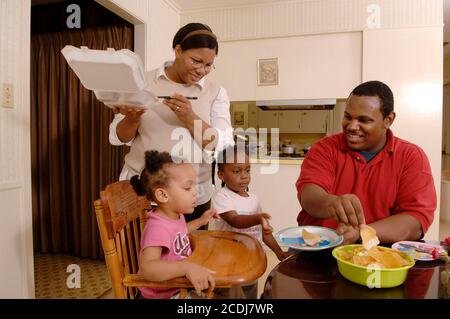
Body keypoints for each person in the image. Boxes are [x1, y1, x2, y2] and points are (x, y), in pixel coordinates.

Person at [109, 23, 233, 228]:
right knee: (141, 256)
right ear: (178, 50)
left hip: (192, 197)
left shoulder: (216, 92)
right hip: (141, 192)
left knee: (190, 254)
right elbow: (118, 137)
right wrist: (132, 118)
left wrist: (189, 117)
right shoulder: (140, 82)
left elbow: (219, 146)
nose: (202, 70)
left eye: (209, 65)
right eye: (196, 61)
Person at [296, 80, 436, 244]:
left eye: (364, 120)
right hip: (319, 250)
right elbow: (308, 195)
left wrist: (361, 232)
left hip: (379, 255)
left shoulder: (411, 157)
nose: (352, 126)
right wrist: (331, 203)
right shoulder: (324, 148)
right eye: (348, 117)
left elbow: (415, 221)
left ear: (388, 120)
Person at [130, 150, 217, 299]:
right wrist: (186, 267)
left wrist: (201, 221)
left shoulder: (174, 216)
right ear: (163, 195)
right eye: (187, 188)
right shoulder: (157, 227)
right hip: (163, 294)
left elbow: (179, 233)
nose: (195, 192)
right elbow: (148, 267)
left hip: (178, 285)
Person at [212, 145, 293, 298]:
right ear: (221, 175)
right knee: (230, 296)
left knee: (249, 292)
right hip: (230, 263)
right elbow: (235, 220)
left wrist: (277, 251)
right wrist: (258, 218)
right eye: (237, 171)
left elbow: (264, 232)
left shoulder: (254, 199)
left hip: (251, 259)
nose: (244, 176)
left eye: (247, 170)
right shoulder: (222, 197)